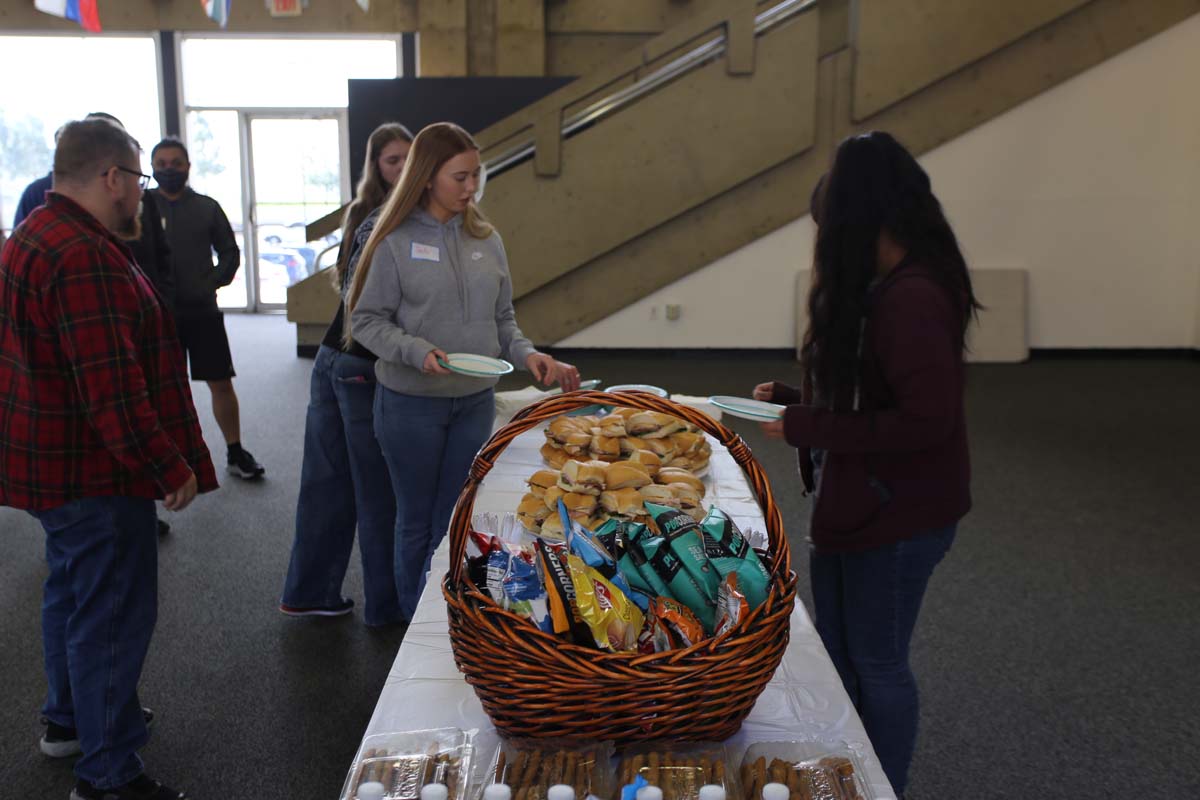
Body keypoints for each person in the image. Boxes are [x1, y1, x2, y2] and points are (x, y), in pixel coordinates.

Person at [753, 131, 978, 798]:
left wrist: (811, 423)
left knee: (877, 665)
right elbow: (877, 393)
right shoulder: (889, 287)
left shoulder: (912, 297)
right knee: (842, 658)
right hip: (865, 504)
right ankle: (853, 775)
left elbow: (925, 420)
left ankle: (883, 786)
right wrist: (804, 404)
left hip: (900, 516)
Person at [0, 117, 218, 800]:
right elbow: (111, 391)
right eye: (139, 180)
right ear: (112, 178)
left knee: (70, 594)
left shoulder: (34, 234)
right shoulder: (84, 256)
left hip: (51, 464)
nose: (144, 194)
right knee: (112, 615)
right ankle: (109, 772)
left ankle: (71, 719)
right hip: (94, 472)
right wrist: (169, 466)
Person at [349, 122, 581, 621]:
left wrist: (529, 355)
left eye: (477, 175)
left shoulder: (486, 238)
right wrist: (416, 351)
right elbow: (365, 322)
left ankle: (447, 614)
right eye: (460, 177)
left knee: (453, 518)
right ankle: (417, 624)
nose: (471, 187)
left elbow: (502, 322)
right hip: (411, 404)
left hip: (474, 402)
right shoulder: (393, 239)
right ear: (428, 175)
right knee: (414, 521)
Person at [280, 122, 414, 623]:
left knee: (326, 480)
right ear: (375, 166)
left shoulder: (366, 215)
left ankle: (308, 591)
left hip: (333, 358)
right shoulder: (387, 218)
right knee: (377, 490)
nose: (400, 168)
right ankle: (387, 605)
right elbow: (370, 303)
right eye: (390, 160)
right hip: (357, 364)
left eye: (407, 158)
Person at [150, 136, 265, 480]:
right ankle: (156, 461)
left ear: (187, 166)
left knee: (221, 383)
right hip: (155, 315)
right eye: (162, 164)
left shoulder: (207, 206)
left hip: (202, 310)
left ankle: (234, 451)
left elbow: (229, 252)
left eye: (176, 163)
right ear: (153, 168)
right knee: (155, 390)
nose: (169, 170)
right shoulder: (140, 207)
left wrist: (210, 282)